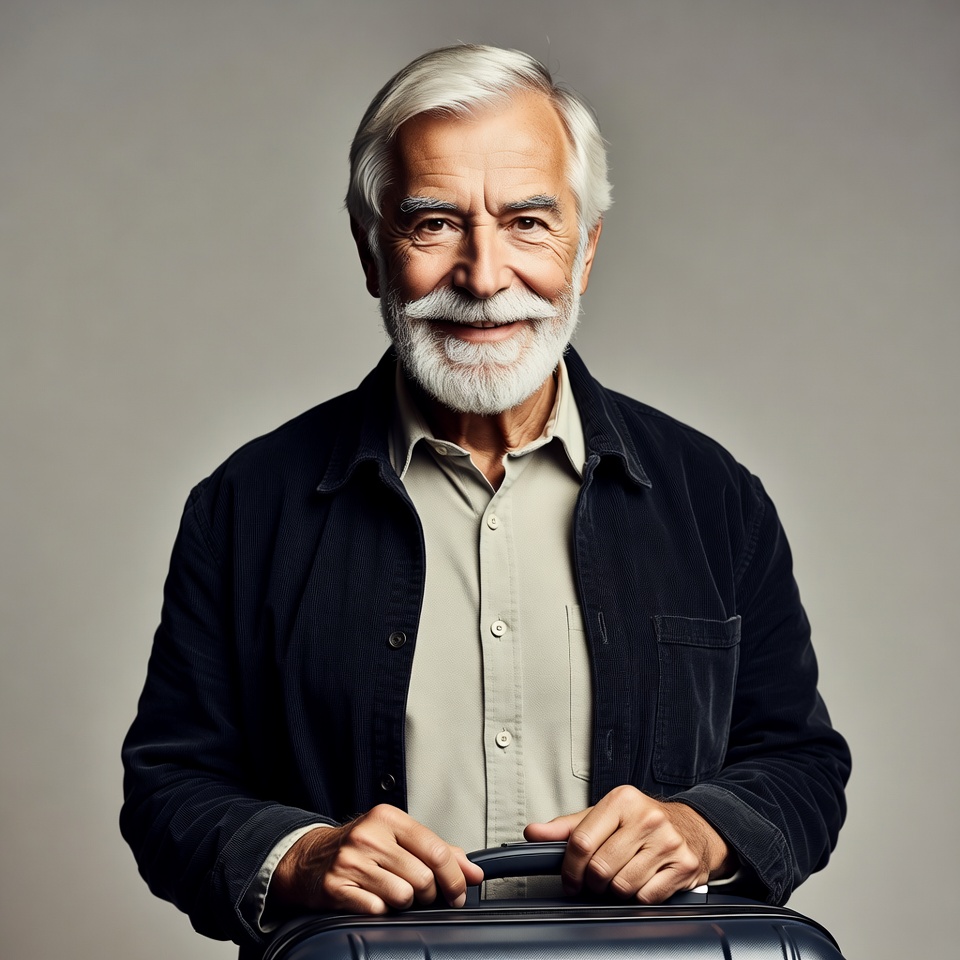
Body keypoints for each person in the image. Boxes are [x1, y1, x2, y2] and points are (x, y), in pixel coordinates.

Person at [120, 44, 850, 956]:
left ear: (583, 252)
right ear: (370, 252)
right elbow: (169, 788)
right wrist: (302, 855)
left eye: (528, 223)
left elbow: (802, 766)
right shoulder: (244, 507)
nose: (483, 274)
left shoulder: (715, 499)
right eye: (433, 223)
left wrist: (707, 828)